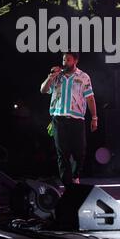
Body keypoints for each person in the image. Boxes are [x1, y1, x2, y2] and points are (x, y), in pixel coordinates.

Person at [40, 52, 97, 186]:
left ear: (75, 61)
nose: (65, 62)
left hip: (77, 119)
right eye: (64, 59)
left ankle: (75, 176)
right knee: (62, 154)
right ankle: (68, 185)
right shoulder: (56, 76)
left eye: (68, 60)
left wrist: (94, 117)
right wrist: (51, 77)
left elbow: (90, 98)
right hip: (59, 119)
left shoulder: (83, 77)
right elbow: (43, 90)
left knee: (80, 151)